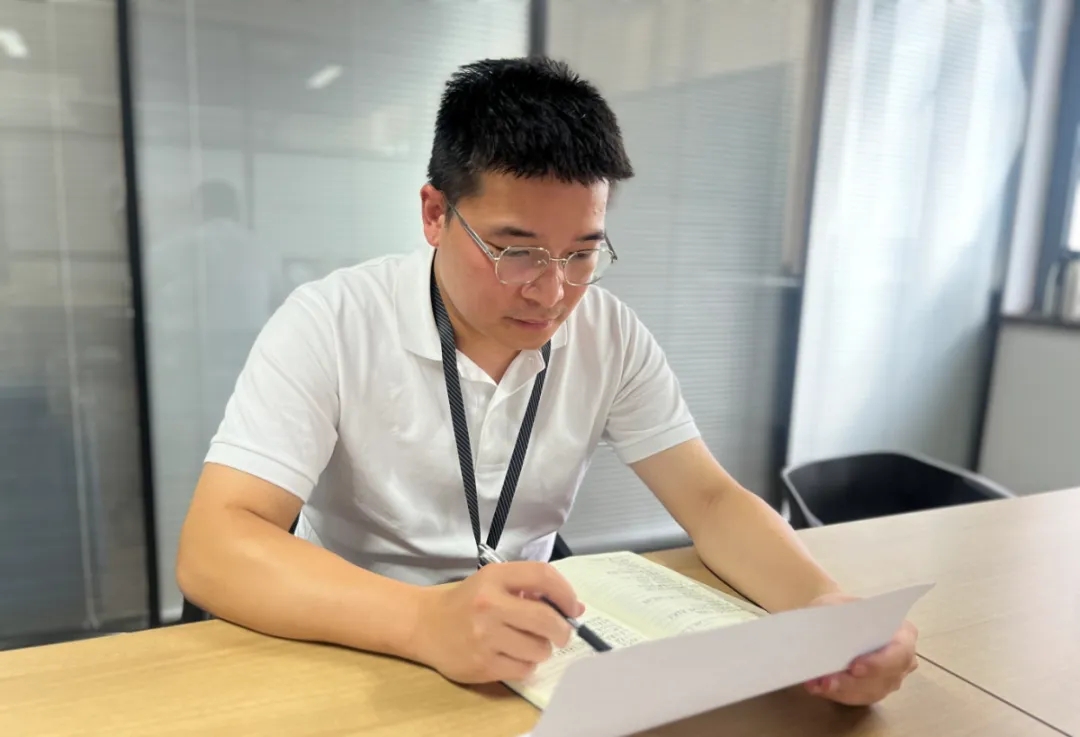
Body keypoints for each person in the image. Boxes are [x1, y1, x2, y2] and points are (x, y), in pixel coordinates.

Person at [176, 57, 917, 705]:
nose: (552, 291)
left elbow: (711, 500)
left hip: (527, 651)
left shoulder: (609, 333)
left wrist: (827, 610)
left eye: (582, 253)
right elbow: (216, 542)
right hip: (350, 634)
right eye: (517, 250)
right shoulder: (332, 321)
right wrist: (423, 620)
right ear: (435, 213)